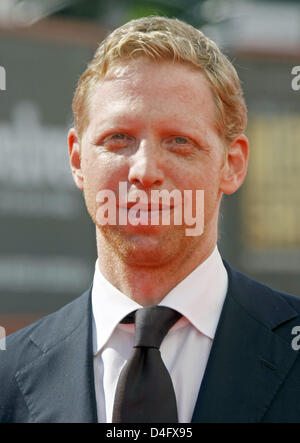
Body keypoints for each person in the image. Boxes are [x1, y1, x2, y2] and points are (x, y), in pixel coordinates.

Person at [1, 16, 300, 424]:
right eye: (118, 138)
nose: (144, 170)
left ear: (232, 164)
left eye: (179, 142)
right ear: (77, 160)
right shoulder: (7, 379)